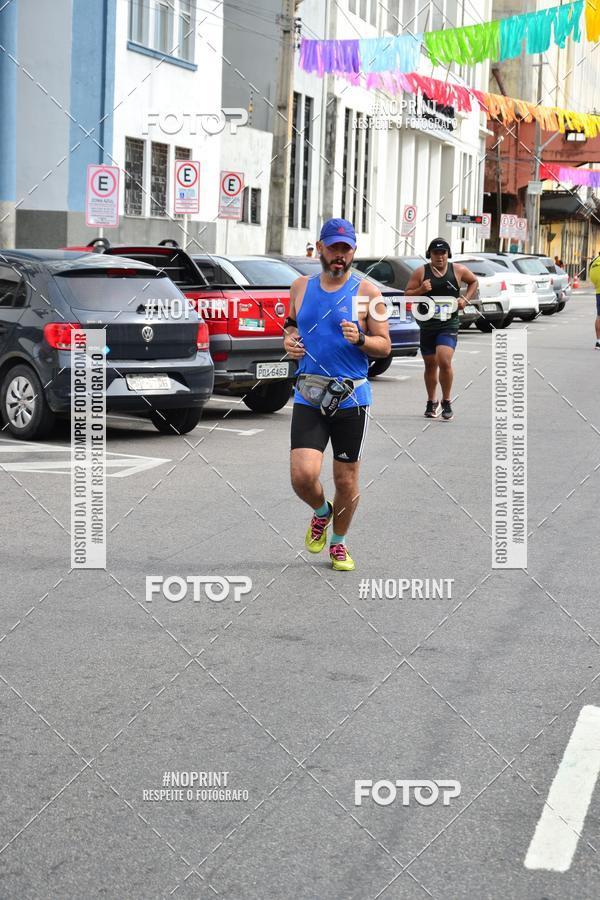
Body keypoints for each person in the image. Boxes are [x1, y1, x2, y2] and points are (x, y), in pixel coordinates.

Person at [284, 218, 391, 571]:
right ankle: (321, 512)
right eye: (333, 248)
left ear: (354, 252)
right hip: (309, 394)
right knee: (302, 475)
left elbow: (384, 346)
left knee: (345, 480)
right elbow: (291, 325)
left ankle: (339, 543)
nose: (339, 256)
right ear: (320, 248)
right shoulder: (300, 287)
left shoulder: (368, 295)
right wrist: (288, 340)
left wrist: (360, 339)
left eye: (346, 250)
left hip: (350, 399)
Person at [404, 238, 478, 420]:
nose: (440, 256)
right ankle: (432, 401)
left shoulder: (458, 270)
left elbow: (474, 282)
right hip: (428, 325)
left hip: (448, 324)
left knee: (444, 360)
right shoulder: (421, 272)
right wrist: (420, 290)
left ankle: (446, 401)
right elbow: (407, 294)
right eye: (436, 253)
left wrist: (465, 299)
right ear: (430, 254)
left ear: (448, 254)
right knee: (430, 365)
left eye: (443, 253)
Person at [588, 251, 600, 349]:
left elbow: (590, 276)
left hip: (598, 291)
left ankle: (598, 341)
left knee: (599, 316)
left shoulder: (594, 262)